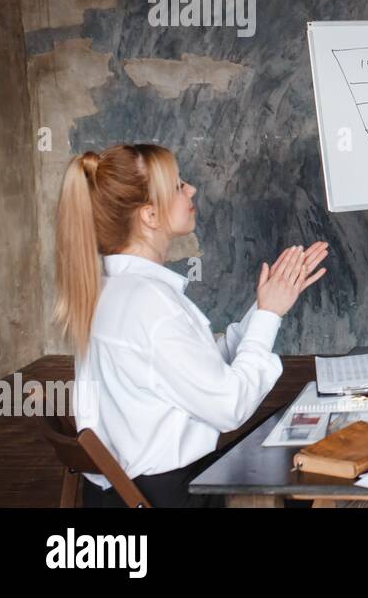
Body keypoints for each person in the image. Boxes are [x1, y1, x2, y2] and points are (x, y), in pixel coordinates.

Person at [56, 144, 328, 507]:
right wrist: (269, 315)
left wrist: (266, 306)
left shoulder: (112, 289)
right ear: (150, 215)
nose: (192, 190)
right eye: (178, 185)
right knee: (316, 464)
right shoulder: (148, 304)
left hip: (125, 493)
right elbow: (230, 406)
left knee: (293, 438)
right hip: (174, 497)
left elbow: (191, 369)